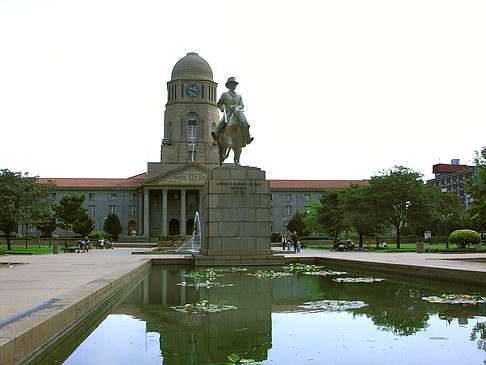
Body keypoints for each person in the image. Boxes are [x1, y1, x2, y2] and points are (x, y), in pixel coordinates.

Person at [211, 77, 253, 145]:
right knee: (222, 121)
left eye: (235, 84)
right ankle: (216, 133)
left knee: (243, 122)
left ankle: (247, 137)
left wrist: (238, 107)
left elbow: (242, 105)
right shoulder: (225, 94)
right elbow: (219, 103)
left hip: (238, 113)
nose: (234, 86)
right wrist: (222, 109)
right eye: (232, 84)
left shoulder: (239, 96)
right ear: (229, 86)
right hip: (228, 113)